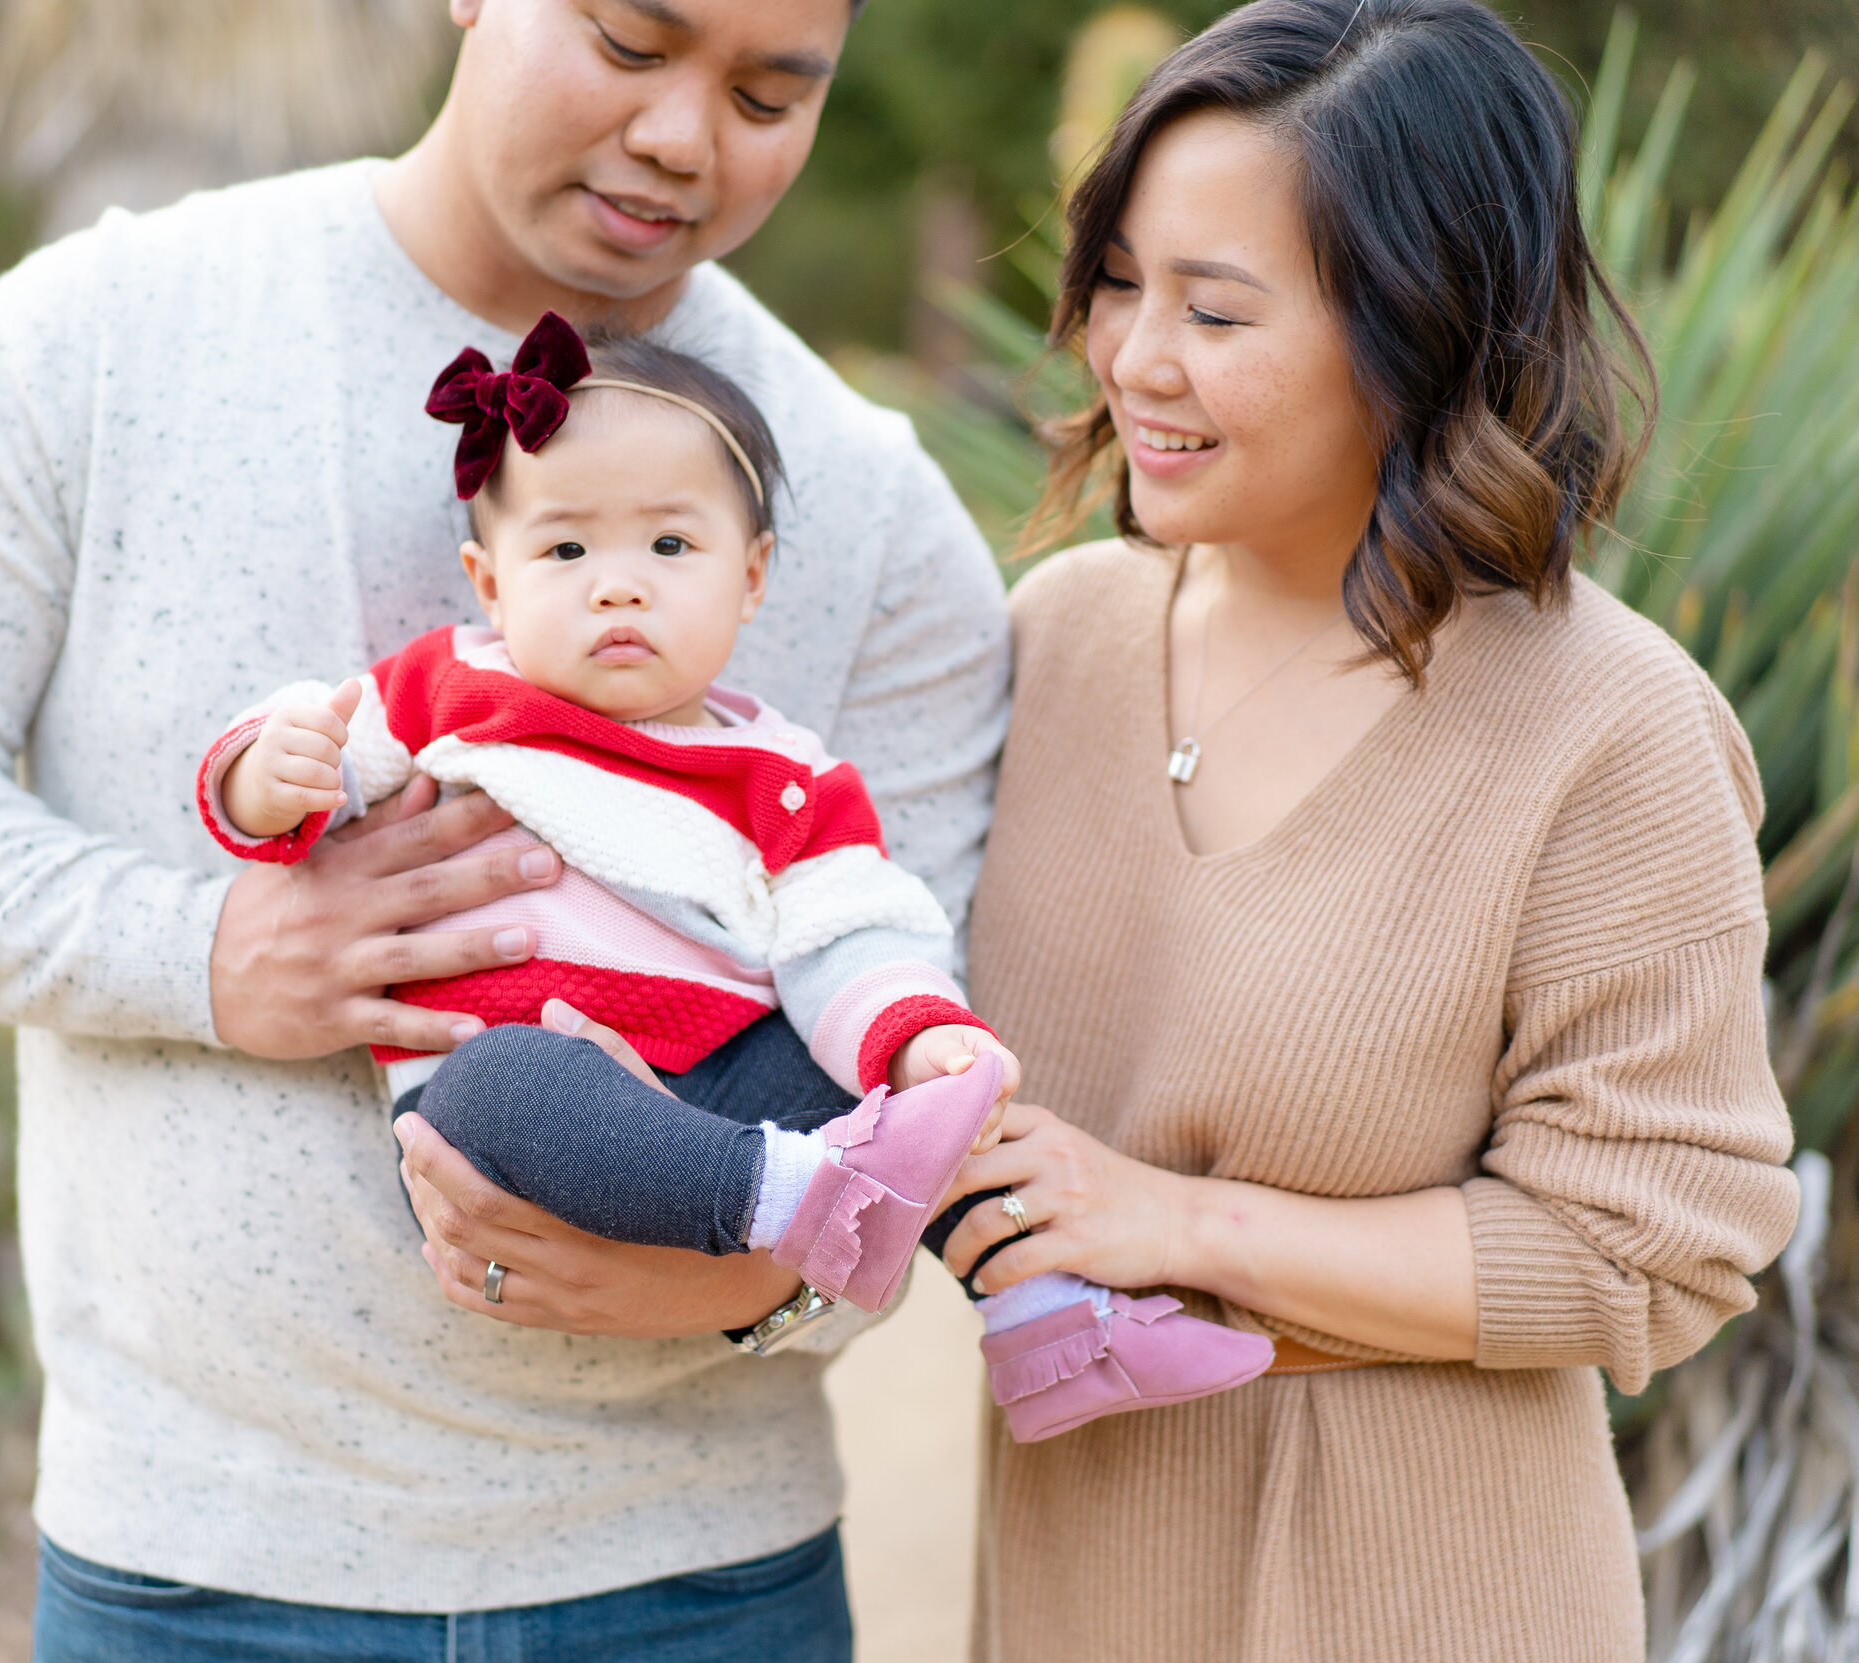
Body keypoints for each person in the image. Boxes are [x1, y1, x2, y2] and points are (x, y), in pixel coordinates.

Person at [0, 0, 1011, 1659]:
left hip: (701, 1584)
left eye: (770, 94)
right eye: (631, 45)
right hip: (194, 1575)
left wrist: (757, 1281)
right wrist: (211, 953)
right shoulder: (105, 330)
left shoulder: (877, 507)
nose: (689, 139)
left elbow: (921, 1035)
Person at [935, 0, 1802, 1659]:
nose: (1133, 358)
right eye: (1120, 283)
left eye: (1216, 309)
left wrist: (1182, 1225)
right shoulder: (1056, 637)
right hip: (1079, 1568)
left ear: (1420, 331)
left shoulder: (1609, 725)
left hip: (1422, 1578)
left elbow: (1654, 1247)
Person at [209, 313, 1273, 1411]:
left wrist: (916, 1035)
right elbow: (305, 762)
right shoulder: (444, 690)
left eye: (670, 547)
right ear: (489, 582)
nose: (616, 586)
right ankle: (791, 1199)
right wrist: (266, 772)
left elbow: (845, 926)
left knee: (918, 1098)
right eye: (565, 549)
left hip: (725, 1078)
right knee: (493, 1082)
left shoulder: (776, 766)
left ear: (751, 576)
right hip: (515, 1095)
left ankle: (1045, 1315)